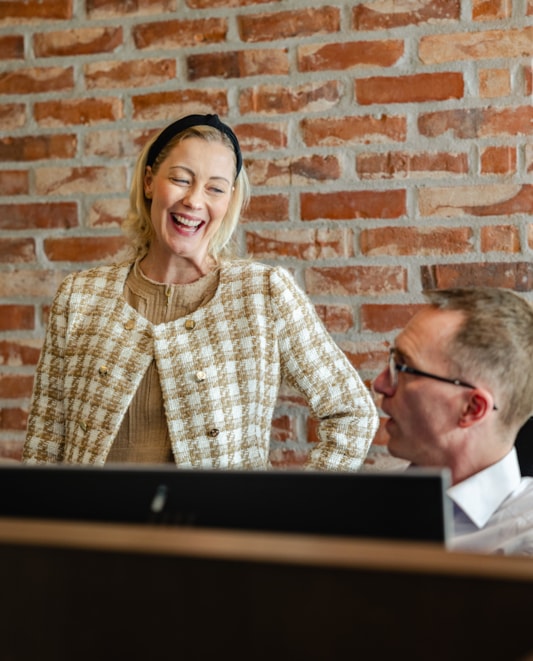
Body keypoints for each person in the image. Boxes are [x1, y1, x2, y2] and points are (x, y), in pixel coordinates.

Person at [23, 113, 378, 470]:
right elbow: (44, 442)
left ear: (229, 200)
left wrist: (287, 513)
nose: (194, 200)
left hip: (220, 524)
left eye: (215, 188)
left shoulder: (263, 294)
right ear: (149, 181)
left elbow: (352, 413)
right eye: (180, 179)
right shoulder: (80, 296)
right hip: (94, 524)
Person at [372, 286, 533, 555]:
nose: (381, 384)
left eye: (403, 368)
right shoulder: (367, 507)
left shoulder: (523, 547)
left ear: (472, 408)